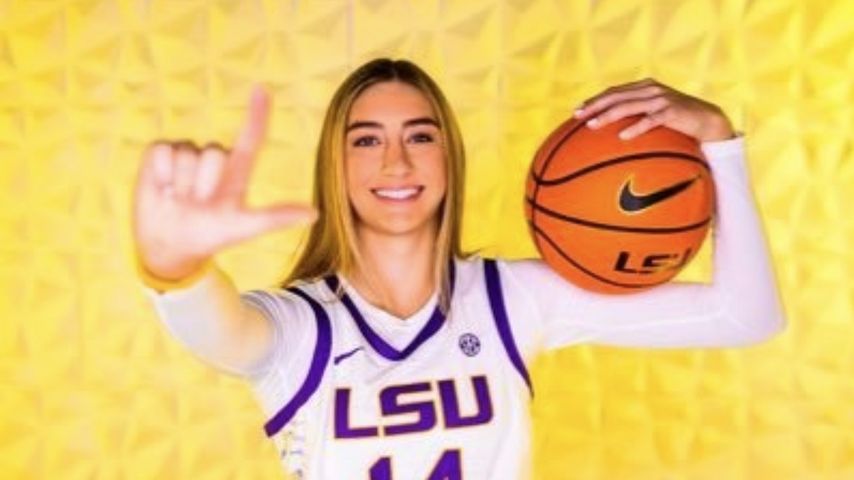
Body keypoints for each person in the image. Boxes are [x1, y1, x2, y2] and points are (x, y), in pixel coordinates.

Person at [134, 58, 785, 479]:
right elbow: (220, 332)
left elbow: (745, 315)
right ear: (336, 163)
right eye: (367, 139)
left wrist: (719, 142)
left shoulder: (512, 298)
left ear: (450, 157)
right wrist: (173, 264)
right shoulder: (303, 330)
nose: (396, 162)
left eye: (420, 136)